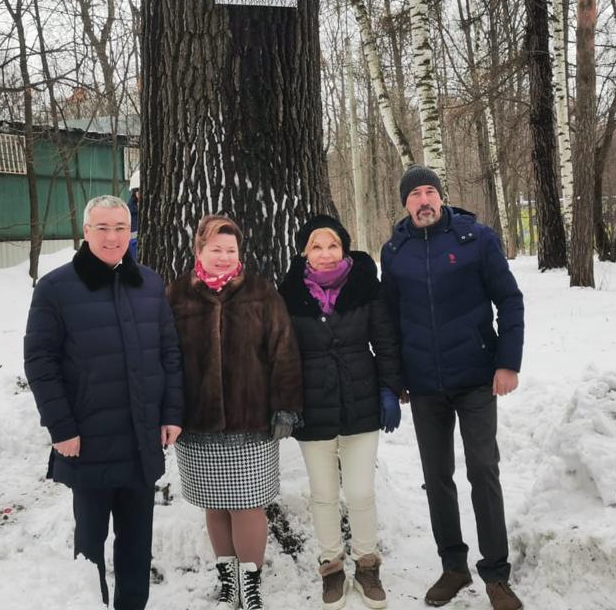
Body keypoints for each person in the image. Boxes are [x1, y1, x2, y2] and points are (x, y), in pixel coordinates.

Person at [23, 194, 184, 610]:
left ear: (131, 232)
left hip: (141, 440)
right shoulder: (56, 288)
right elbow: (40, 363)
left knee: (136, 546)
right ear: (85, 232)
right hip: (88, 441)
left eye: (120, 228)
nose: (112, 237)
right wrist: (62, 428)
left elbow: (169, 353)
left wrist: (171, 413)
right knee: (89, 546)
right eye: (103, 228)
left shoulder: (149, 283)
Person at [380, 166, 525, 610]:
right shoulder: (395, 251)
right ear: (404, 203)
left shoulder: (475, 239)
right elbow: (389, 318)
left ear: (441, 197)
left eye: (430, 192)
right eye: (415, 195)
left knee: (483, 469)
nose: (424, 201)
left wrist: (507, 361)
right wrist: (397, 379)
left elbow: (510, 299)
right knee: (436, 476)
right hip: (425, 384)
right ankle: (453, 566)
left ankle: (496, 575)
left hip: (476, 375)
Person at [166, 214, 302, 610]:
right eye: (216, 250)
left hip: (252, 419)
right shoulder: (176, 296)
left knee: (248, 503)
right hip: (198, 421)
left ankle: (250, 584)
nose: (224, 257)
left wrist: (285, 407)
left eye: (231, 250)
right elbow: (165, 357)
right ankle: (228, 582)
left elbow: (285, 352)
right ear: (199, 251)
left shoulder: (262, 294)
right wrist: (168, 411)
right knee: (215, 502)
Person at [278, 215, 403, 610]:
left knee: (361, 491)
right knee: (324, 494)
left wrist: (388, 389)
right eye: (317, 246)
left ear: (344, 248)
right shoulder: (289, 292)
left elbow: (384, 340)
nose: (326, 254)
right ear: (304, 252)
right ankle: (331, 567)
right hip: (312, 406)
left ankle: (367, 565)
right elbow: (282, 355)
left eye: (333, 245)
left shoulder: (366, 285)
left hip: (360, 400)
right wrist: (286, 404)